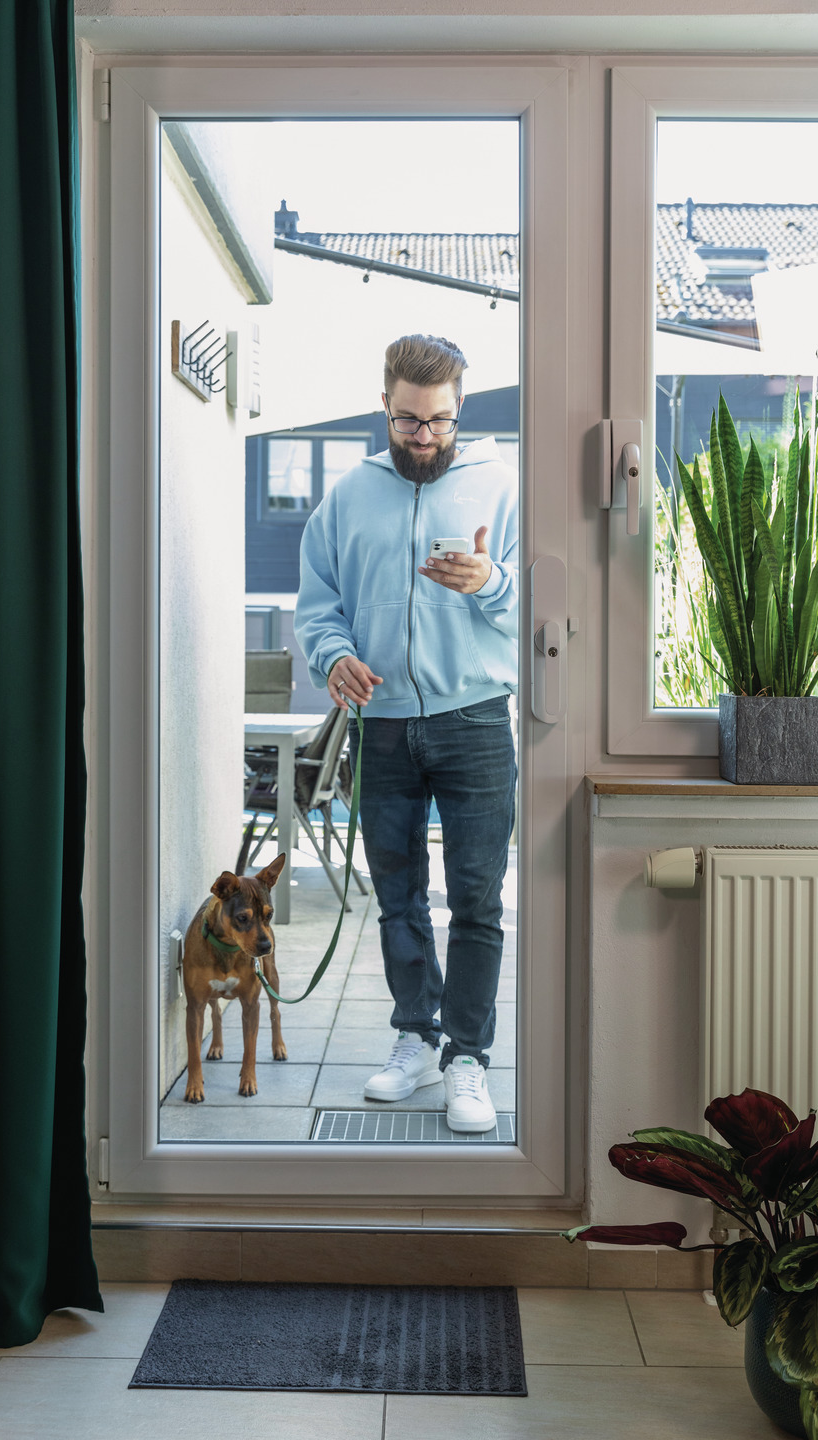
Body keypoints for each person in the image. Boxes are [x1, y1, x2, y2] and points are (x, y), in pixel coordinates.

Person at [294, 334, 518, 1133]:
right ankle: (414, 1039)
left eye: (439, 422)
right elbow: (316, 604)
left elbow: (537, 610)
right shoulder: (349, 496)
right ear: (384, 406)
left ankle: (468, 1059)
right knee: (396, 899)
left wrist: (490, 583)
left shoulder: (499, 486)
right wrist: (336, 656)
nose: (424, 437)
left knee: (478, 902)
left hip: (476, 720)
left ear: (461, 408)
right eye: (407, 420)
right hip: (383, 727)